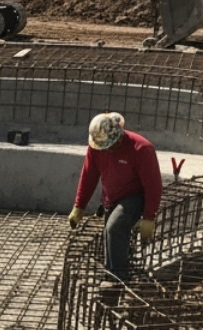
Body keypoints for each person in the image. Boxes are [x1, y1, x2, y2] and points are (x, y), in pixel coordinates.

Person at [68, 112, 162, 281]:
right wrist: (79, 206)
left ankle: (118, 279)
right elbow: (89, 175)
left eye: (110, 146)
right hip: (111, 198)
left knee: (115, 227)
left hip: (135, 197)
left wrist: (149, 217)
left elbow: (153, 185)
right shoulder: (97, 147)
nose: (108, 150)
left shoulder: (141, 149)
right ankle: (117, 271)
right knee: (111, 238)